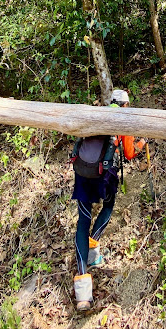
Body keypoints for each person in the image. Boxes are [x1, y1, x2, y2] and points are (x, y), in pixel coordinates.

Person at [70, 89, 146, 312]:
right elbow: (130, 153)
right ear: (125, 105)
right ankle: (94, 245)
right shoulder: (123, 119)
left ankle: (83, 289)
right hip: (103, 174)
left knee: (83, 220)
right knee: (109, 205)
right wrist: (143, 142)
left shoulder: (97, 114)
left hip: (82, 171)